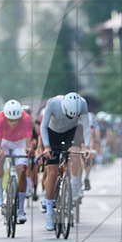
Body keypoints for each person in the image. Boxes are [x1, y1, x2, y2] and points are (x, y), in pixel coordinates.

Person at [40, 91, 90, 232]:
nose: (70, 117)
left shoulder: (83, 103)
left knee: (75, 154)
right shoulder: (53, 103)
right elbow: (43, 126)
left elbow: (86, 126)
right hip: (52, 132)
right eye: (69, 115)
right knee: (53, 172)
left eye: (73, 116)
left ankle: (75, 184)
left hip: (71, 132)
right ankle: (50, 213)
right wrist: (47, 146)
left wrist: (86, 146)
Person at [0, 99, 33, 223]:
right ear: (6, 116)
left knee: (22, 170)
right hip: (4, 141)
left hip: (19, 143)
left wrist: (29, 149)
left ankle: (20, 209)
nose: (14, 122)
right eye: (10, 120)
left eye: (16, 119)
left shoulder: (26, 118)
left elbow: (28, 139)